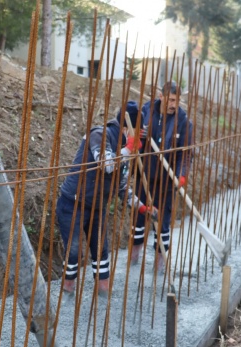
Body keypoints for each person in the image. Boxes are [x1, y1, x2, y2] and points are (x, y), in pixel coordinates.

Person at [56, 101, 158, 295]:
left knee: (101, 249)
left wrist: (143, 208)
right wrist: (127, 150)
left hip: (97, 206)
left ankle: (103, 292)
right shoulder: (99, 135)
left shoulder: (125, 147)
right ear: (127, 128)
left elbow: (122, 188)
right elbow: (106, 164)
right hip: (73, 203)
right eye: (137, 132)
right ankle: (67, 291)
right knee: (74, 251)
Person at [130, 81, 194, 272]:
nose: (174, 104)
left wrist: (181, 176)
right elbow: (132, 134)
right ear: (161, 96)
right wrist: (137, 135)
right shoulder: (147, 111)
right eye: (171, 99)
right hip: (144, 175)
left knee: (163, 223)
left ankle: (160, 263)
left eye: (177, 100)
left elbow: (186, 154)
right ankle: (134, 258)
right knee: (139, 219)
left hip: (167, 181)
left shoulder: (183, 121)